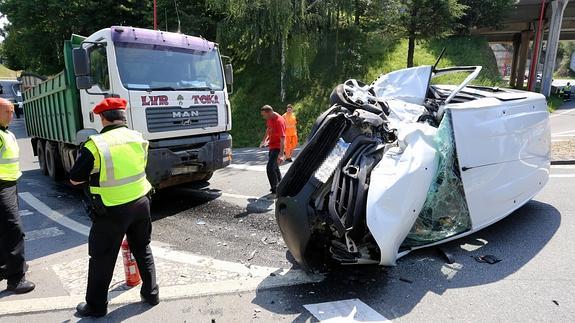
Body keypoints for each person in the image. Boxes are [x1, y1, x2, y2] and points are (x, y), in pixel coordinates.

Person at [69, 97, 159, 317]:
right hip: (141, 202)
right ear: (122, 115)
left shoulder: (96, 144)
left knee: (102, 257)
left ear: (102, 118)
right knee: (142, 248)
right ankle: (151, 293)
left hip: (111, 209)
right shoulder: (138, 138)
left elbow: (75, 179)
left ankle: (96, 306)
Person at [0, 98, 35, 294]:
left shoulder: (6, 133)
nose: (12, 115)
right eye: (8, 112)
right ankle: (16, 279)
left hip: (9, 185)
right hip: (1, 186)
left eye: (13, 111)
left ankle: (6, 267)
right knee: (13, 229)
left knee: (4, 229)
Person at [259, 105, 286, 196]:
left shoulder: (279, 121)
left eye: (264, 115)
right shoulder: (270, 118)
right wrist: (264, 141)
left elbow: (283, 138)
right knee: (275, 167)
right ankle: (281, 186)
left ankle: (275, 189)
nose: (263, 117)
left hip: (277, 147)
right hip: (272, 146)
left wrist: (281, 154)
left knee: (270, 168)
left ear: (269, 112)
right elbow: (268, 129)